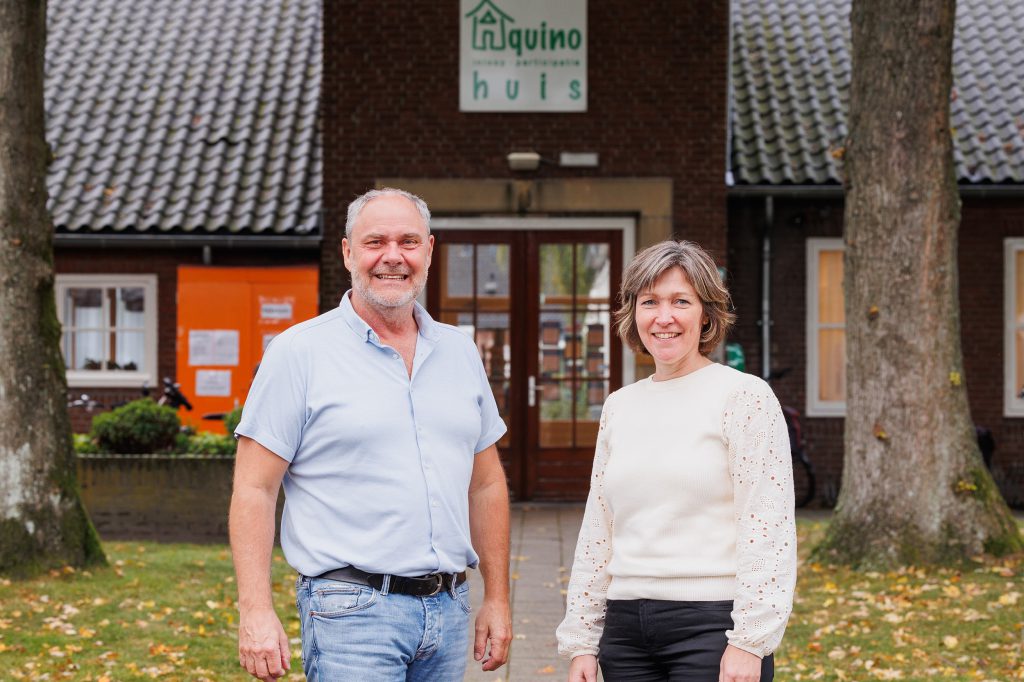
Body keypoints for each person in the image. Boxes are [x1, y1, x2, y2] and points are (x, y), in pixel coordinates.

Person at [229, 188, 512, 681]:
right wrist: (255, 610)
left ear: (429, 250)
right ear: (347, 253)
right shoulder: (299, 353)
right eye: (375, 242)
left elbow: (485, 483)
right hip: (351, 615)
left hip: (448, 610)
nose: (392, 257)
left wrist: (498, 597)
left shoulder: (460, 352)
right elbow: (254, 489)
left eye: (407, 241)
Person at [556, 240, 797, 682]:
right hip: (625, 632)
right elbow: (598, 529)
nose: (663, 317)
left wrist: (750, 641)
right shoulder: (619, 406)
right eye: (650, 302)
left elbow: (767, 526)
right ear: (634, 312)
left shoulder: (744, 397)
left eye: (680, 301)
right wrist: (583, 642)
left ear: (706, 313)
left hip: (712, 628)